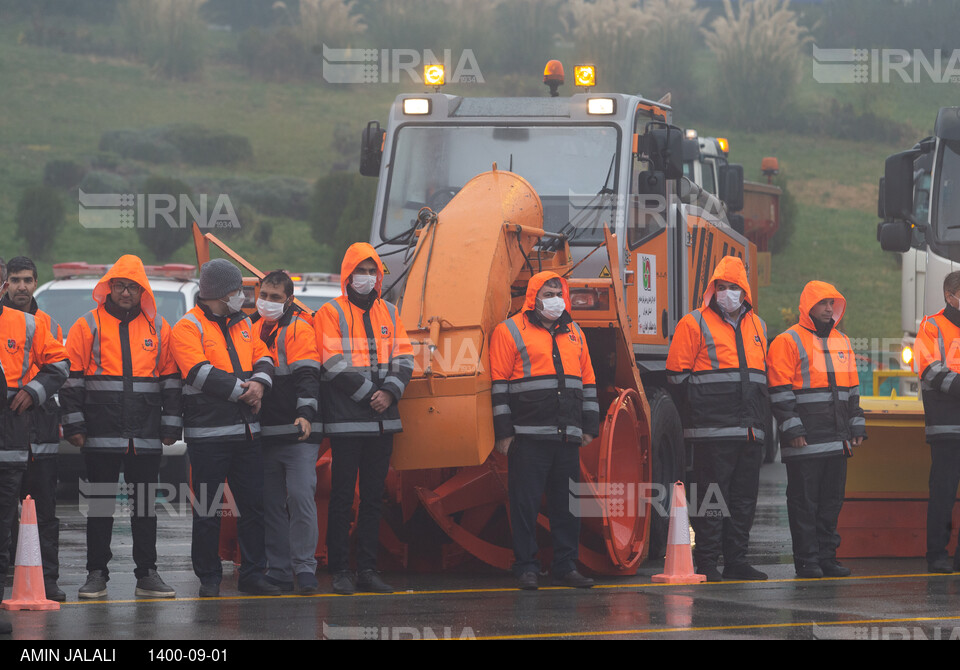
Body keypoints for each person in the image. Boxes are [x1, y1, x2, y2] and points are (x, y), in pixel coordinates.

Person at [60, 255, 181, 599]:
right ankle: (96, 573)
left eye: (132, 287)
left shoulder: (158, 327)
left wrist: (170, 425)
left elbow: (171, 380)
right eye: (120, 285)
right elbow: (72, 381)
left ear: (142, 291)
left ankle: (147, 573)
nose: (125, 292)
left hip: (145, 434)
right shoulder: (87, 326)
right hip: (100, 432)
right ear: (108, 287)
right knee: (100, 506)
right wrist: (74, 426)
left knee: (145, 507)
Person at [170, 258, 278, 597]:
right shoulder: (188, 327)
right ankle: (209, 578)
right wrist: (246, 394)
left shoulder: (243, 323)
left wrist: (260, 383)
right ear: (220, 293)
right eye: (237, 291)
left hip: (247, 435)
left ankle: (252, 575)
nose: (242, 296)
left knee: (253, 507)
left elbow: (264, 357)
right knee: (207, 509)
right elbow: (198, 373)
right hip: (208, 438)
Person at [490, 271, 599, 590]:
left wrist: (588, 427)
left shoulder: (575, 332)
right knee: (524, 504)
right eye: (548, 293)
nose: (555, 299)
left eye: (558, 293)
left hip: (566, 435)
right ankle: (526, 567)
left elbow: (588, 382)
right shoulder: (509, 330)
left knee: (567, 504)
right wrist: (504, 432)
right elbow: (499, 386)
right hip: (527, 436)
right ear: (533, 297)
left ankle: (566, 565)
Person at [315, 243, 413, 595]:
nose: (367, 277)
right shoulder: (330, 311)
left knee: (373, 498)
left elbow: (405, 355)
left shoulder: (389, 310)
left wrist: (389, 392)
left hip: (382, 419)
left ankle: (368, 569)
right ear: (348, 274)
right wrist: (372, 394)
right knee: (343, 496)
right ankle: (341, 569)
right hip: (347, 421)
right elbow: (331, 359)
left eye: (373, 271)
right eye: (362, 270)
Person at [666, 256, 769, 583]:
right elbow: (675, 378)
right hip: (710, 431)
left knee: (743, 501)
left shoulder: (759, 326)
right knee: (711, 500)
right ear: (712, 289)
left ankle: (737, 560)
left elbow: (760, 379)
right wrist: (699, 412)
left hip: (750, 431)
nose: (727, 293)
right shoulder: (693, 323)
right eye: (721, 287)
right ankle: (707, 561)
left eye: (733, 287)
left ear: (745, 290)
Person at [767, 281, 865, 578]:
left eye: (831, 303)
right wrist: (792, 428)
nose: (828, 308)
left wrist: (856, 423)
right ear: (808, 306)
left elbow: (852, 390)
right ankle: (807, 560)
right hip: (805, 440)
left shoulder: (842, 340)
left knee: (831, 502)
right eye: (822, 303)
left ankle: (826, 558)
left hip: (836, 440)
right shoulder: (787, 341)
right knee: (804, 503)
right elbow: (779, 391)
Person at [253, 270, 322, 595]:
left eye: (275, 297)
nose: (267, 302)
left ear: (289, 300)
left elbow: (307, 374)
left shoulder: (299, 328)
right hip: (265, 433)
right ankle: (279, 571)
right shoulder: (250, 329)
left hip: (298, 432)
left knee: (300, 497)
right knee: (271, 504)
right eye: (264, 295)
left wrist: (305, 414)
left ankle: (304, 569)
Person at [3, 257, 65, 601]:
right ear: (6, 284)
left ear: (36, 282)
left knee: (44, 512)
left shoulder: (47, 324)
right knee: (4, 514)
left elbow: (60, 368)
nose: (21, 286)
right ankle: (12, 579)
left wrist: (33, 391)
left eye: (28, 280)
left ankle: (49, 581)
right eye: (15, 280)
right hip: (5, 432)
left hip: (39, 433)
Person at [915, 270, 960, 573]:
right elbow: (929, 369)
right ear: (950, 295)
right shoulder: (931, 326)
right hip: (947, 427)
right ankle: (937, 555)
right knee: (943, 493)